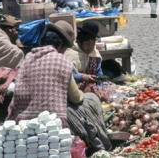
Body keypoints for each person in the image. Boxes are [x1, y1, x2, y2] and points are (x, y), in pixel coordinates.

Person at [8, 21, 112, 153]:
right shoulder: (62, 61)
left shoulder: (27, 58)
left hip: (22, 120)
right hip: (52, 123)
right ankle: (97, 141)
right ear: (61, 45)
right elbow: (76, 98)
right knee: (91, 98)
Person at [65, 21, 103, 93]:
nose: (90, 47)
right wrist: (82, 77)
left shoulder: (94, 54)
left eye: (93, 43)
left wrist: (99, 86)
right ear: (79, 42)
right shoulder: (71, 54)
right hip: (74, 88)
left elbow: (99, 72)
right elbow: (68, 75)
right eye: (87, 44)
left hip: (92, 86)